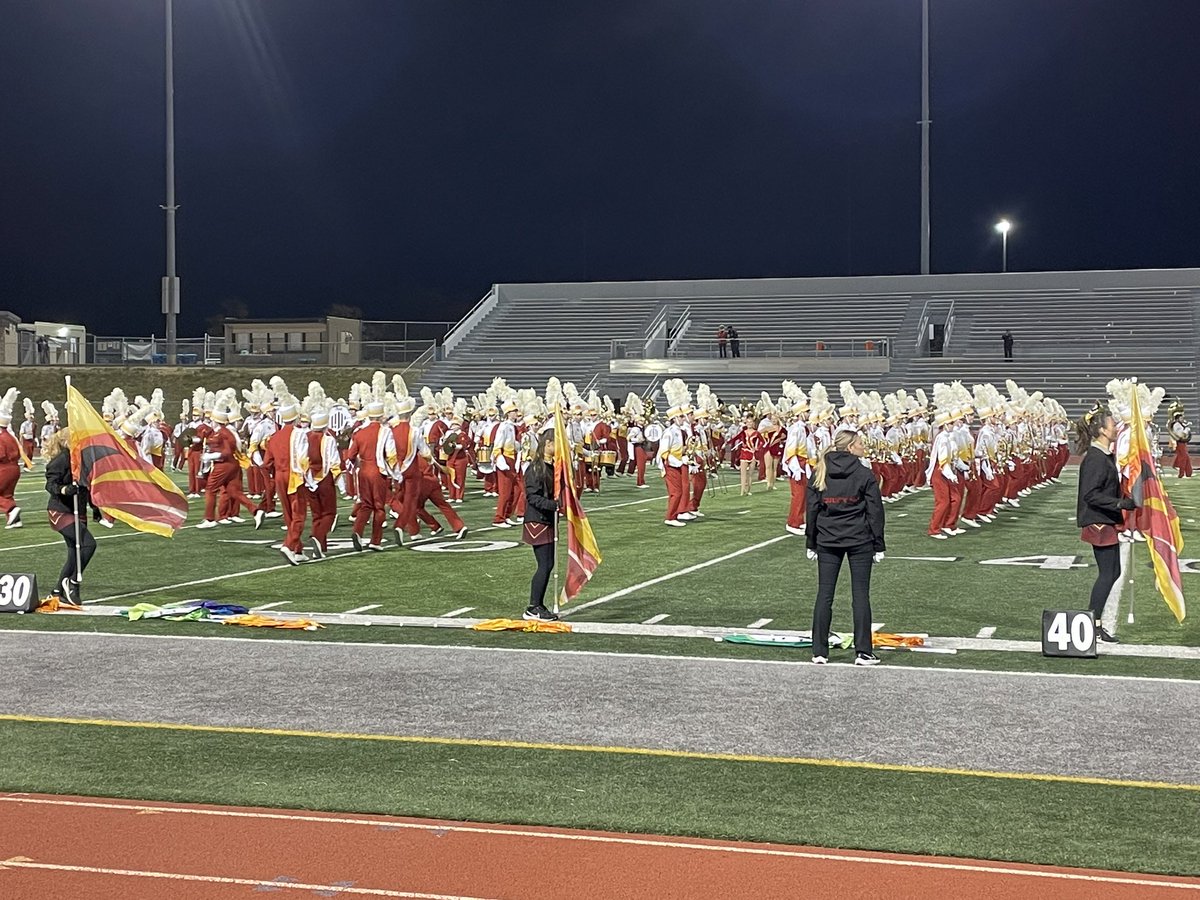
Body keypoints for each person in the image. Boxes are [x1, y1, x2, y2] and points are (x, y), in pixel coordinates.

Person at [805, 427, 885, 666]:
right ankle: (863, 652)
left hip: (827, 540)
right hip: (860, 540)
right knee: (860, 595)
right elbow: (875, 512)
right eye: (860, 443)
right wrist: (879, 544)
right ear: (851, 447)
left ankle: (819, 651)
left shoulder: (821, 470)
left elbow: (811, 510)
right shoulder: (864, 473)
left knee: (824, 595)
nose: (863, 446)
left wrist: (811, 541)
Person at [1075, 405, 1136, 643]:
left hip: (1105, 518)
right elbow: (1090, 494)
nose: (1116, 428)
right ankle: (1093, 623)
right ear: (1101, 430)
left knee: (1114, 572)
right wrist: (1119, 504)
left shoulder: (1103, 455)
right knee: (1107, 573)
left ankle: (1095, 621)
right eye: (1112, 425)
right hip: (1098, 521)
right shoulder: (1095, 459)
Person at [43, 428, 96, 603]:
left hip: (78, 510)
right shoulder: (62, 459)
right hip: (60, 510)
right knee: (88, 544)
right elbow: (50, 484)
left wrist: (94, 507)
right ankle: (73, 582)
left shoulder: (82, 458)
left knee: (75, 552)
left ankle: (58, 590)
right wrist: (64, 489)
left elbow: (86, 485)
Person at [522, 432, 560, 622]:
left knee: (549, 564)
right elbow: (532, 497)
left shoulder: (552, 467)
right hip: (537, 521)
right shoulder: (535, 468)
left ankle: (538, 603)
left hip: (547, 520)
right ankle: (533, 606)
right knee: (544, 565)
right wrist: (554, 505)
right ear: (548, 444)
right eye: (557, 444)